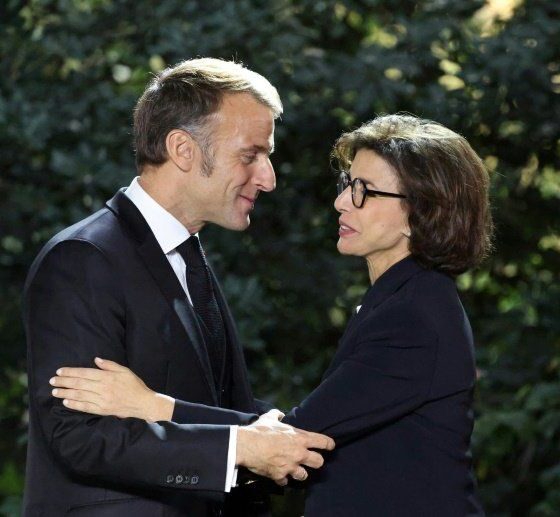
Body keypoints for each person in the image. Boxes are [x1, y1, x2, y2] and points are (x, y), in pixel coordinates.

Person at [51, 114, 491, 515]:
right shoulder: (402, 300)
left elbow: (299, 438)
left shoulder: (414, 317)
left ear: (421, 212)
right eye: (346, 184)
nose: (341, 202)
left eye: (364, 191)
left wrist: (150, 405)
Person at [22, 58, 334, 517]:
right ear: (183, 149)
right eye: (250, 155)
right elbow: (79, 436)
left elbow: (219, 406)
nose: (268, 178)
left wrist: (253, 436)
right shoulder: (83, 259)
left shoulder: (188, 257)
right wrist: (237, 447)